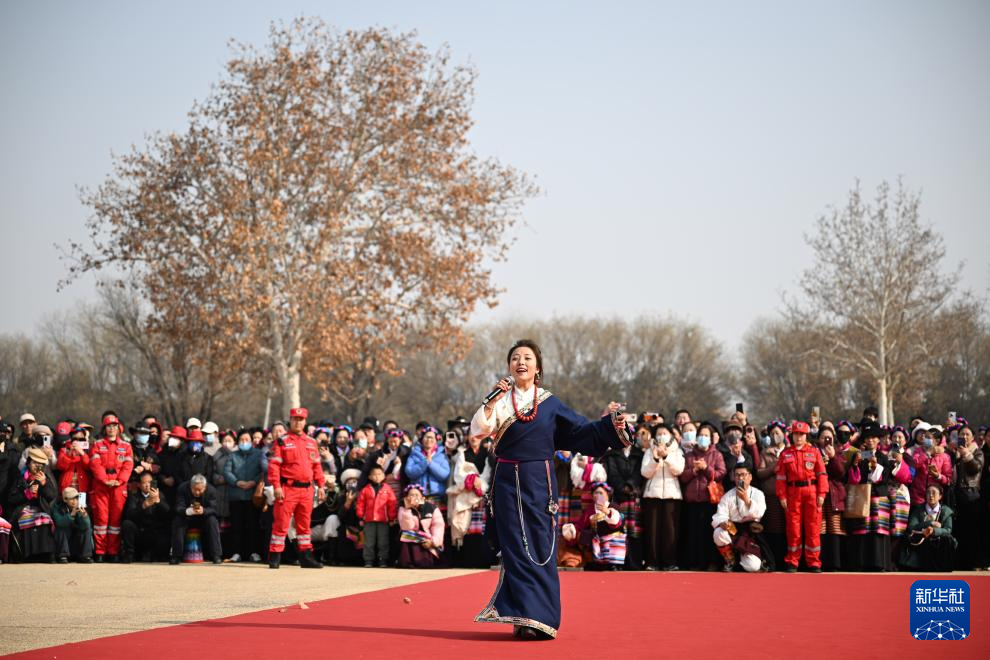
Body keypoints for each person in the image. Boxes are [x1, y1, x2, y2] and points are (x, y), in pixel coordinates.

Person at [470, 339, 629, 640]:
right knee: (515, 548)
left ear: (537, 368)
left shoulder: (550, 403)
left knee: (541, 547)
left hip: (540, 482)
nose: (521, 362)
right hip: (506, 483)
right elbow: (478, 430)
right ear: (509, 367)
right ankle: (521, 615)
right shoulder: (501, 400)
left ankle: (542, 618)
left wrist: (610, 425)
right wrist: (489, 402)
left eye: (527, 358)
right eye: (515, 357)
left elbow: (581, 430)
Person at [267, 407, 325, 569]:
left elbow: (317, 467)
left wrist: (321, 485)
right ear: (290, 421)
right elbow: (274, 466)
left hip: (307, 490)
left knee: (304, 525)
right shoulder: (282, 441)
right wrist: (276, 486)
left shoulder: (312, 442)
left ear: (305, 422)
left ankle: (306, 557)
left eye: (300, 419)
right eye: (295, 419)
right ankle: (275, 556)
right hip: (288, 488)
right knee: (281, 523)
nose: (298, 422)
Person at [776, 421, 828, 572]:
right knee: (793, 529)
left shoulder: (815, 452)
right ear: (792, 435)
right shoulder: (785, 454)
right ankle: (792, 561)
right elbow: (780, 478)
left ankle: (813, 562)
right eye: (796, 434)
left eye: (802, 434)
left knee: (813, 528)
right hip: (793, 493)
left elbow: (822, 475)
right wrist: (782, 496)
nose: (798, 437)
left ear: (806, 436)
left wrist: (822, 494)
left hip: (812, 491)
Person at [679, 422, 726, 570]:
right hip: (692, 500)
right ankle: (694, 562)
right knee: (693, 533)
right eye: (701, 435)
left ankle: (711, 562)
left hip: (709, 500)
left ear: (712, 438)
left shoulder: (716, 454)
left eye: (706, 435)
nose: (703, 438)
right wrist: (694, 470)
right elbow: (682, 477)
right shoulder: (689, 455)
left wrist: (706, 468)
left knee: (708, 533)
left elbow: (720, 474)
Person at [89, 414, 133, 561]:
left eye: (114, 426)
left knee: (115, 520)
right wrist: (105, 480)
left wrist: (119, 481)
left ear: (119, 428)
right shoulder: (97, 445)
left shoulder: (126, 446)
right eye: (109, 426)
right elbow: (95, 465)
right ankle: (100, 552)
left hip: (118, 486)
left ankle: (113, 552)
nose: (112, 429)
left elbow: (128, 466)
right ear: (104, 428)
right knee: (101, 519)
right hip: (101, 486)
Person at [639, 423, 683, 571]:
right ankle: (652, 561)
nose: (661, 436)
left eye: (665, 433)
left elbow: (678, 470)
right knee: (652, 530)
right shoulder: (649, 451)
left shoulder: (677, 451)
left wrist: (667, 457)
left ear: (670, 435)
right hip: (652, 494)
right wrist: (656, 459)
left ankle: (669, 562)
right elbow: (645, 472)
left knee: (670, 531)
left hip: (672, 495)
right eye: (659, 433)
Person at [712, 464, 768, 572]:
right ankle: (730, 560)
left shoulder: (758, 494)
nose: (740, 478)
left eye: (743, 475)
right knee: (718, 532)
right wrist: (723, 522)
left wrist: (746, 500)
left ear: (750, 477)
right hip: (733, 530)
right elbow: (720, 514)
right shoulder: (728, 495)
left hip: (750, 531)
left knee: (753, 567)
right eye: (737, 475)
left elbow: (760, 513)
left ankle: (744, 559)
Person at [603, 430, 645, 570]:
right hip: (618, 498)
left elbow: (640, 472)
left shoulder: (639, 454)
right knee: (618, 531)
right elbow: (612, 473)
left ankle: (634, 563)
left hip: (635, 498)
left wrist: (631, 485)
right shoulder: (611, 454)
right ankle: (618, 563)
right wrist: (622, 487)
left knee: (634, 532)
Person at [223, 430, 267, 563]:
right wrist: (237, 482)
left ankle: (254, 552)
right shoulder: (232, 455)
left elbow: (262, 471)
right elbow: (227, 471)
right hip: (236, 495)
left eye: (246, 439)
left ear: (251, 441)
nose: (244, 442)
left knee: (253, 526)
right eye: (241, 440)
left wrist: (254, 481)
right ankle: (236, 552)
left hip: (252, 496)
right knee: (236, 526)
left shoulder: (259, 454)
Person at [7, 446, 58, 561]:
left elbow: (51, 496)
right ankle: (26, 555)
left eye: (40, 464)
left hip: (41, 508)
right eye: (34, 462)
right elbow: (11, 498)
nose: (37, 466)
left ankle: (45, 555)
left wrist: (44, 484)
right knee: (26, 518)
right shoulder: (20, 477)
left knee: (44, 519)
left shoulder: (45, 477)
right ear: (29, 462)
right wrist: (27, 493)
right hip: (22, 508)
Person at [568, 481, 625, 570]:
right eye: (596, 493)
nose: (598, 495)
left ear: (607, 495)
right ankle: (592, 561)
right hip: (595, 539)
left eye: (601, 493)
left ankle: (613, 564)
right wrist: (572, 530)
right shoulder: (590, 508)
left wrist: (608, 512)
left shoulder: (614, 506)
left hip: (611, 540)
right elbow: (581, 525)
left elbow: (619, 523)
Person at [900, 485, 956, 571]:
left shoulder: (946, 511)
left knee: (947, 539)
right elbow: (912, 527)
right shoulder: (918, 509)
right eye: (928, 493)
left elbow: (948, 530)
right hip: (921, 539)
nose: (931, 495)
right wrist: (930, 523)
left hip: (939, 540)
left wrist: (934, 531)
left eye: (934, 493)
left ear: (940, 496)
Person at [170, 474, 222, 564]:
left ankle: (216, 555)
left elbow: (215, 509)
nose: (197, 492)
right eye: (195, 489)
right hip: (187, 517)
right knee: (177, 521)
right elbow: (178, 507)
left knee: (212, 521)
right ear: (190, 486)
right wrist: (187, 511)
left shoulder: (212, 490)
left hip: (204, 518)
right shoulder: (182, 488)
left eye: (200, 490)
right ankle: (176, 556)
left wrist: (204, 510)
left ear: (205, 487)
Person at [121, 471, 171, 562]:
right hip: (141, 531)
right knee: (127, 524)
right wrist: (143, 506)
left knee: (166, 530)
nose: (147, 485)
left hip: (155, 531)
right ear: (139, 485)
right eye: (144, 483)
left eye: (149, 482)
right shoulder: (134, 496)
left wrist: (158, 501)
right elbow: (129, 515)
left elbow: (168, 513)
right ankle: (129, 555)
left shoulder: (159, 495)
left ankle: (159, 555)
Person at [356, 464, 398, 567]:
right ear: (369, 477)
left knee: (383, 541)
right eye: (374, 475)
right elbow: (360, 504)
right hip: (368, 520)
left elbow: (392, 504)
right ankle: (368, 560)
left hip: (383, 520)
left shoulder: (387, 489)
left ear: (384, 476)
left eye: (379, 474)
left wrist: (392, 518)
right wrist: (360, 516)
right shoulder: (365, 489)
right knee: (369, 541)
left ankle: (382, 560)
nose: (377, 477)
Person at [398, 484, 446, 568]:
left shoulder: (432, 508)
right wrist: (407, 509)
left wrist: (433, 542)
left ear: (423, 498)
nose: (414, 497)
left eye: (416, 495)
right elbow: (406, 528)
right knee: (407, 535)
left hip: (428, 539)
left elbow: (438, 526)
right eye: (411, 495)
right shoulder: (403, 508)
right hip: (411, 538)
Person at [404, 426, 451, 509]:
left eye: (432, 437)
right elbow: (409, 472)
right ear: (421, 439)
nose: (429, 440)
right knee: (420, 520)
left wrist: (431, 464)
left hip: (437, 496)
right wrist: (425, 463)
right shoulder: (414, 453)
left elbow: (445, 475)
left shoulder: (442, 455)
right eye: (426, 437)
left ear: (436, 440)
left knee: (436, 520)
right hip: (418, 496)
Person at [52, 486, 94, 563]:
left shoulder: (82, 507)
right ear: (65, 499)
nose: (74, 501)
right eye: (71, 499)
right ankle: (63, 556)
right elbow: (59, 522)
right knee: (61, 528)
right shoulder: (57, 507)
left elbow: (86, 526)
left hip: (76, 542)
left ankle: (85, 556)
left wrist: (84, 516)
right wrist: (72, 514)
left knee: (87, 529)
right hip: (65, 542)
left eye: (76, 498)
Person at [55, 427, 91, 495]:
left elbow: (88, 467)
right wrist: (69, 454)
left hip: (82, 485)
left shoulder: (87, 450)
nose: (78, 441)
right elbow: (60, 466)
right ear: (71, 439)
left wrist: (82, 453)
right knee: (67, 504)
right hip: (67, 483)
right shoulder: (65, 449)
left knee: (81, 504)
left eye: (81, 439)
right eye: (75, 439)